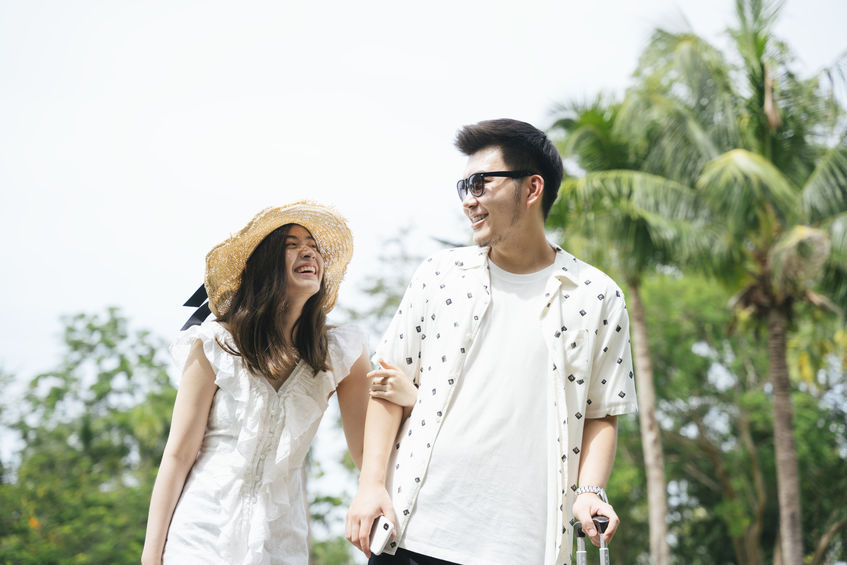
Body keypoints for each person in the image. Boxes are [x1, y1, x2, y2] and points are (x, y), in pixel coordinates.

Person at [346, 119, 638, 565]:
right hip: (414, 532)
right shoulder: (439, 276)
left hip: (526, 546)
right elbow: (388, 385)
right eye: (463, 185)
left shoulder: (597, 295)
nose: (469, 200)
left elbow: (601, 413)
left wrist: (590, 492)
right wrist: (370, 487)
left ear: (532, 188)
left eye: (480, 184)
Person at [142, 201, 377, 565]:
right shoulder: (215, 344)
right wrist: (151, 556)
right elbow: (178, 454)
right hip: (201, 535)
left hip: (281, 544)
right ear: (264, 264)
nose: (308, 252)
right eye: (292, 244)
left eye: (313, 246)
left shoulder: (341, 351)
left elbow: (368, 453)